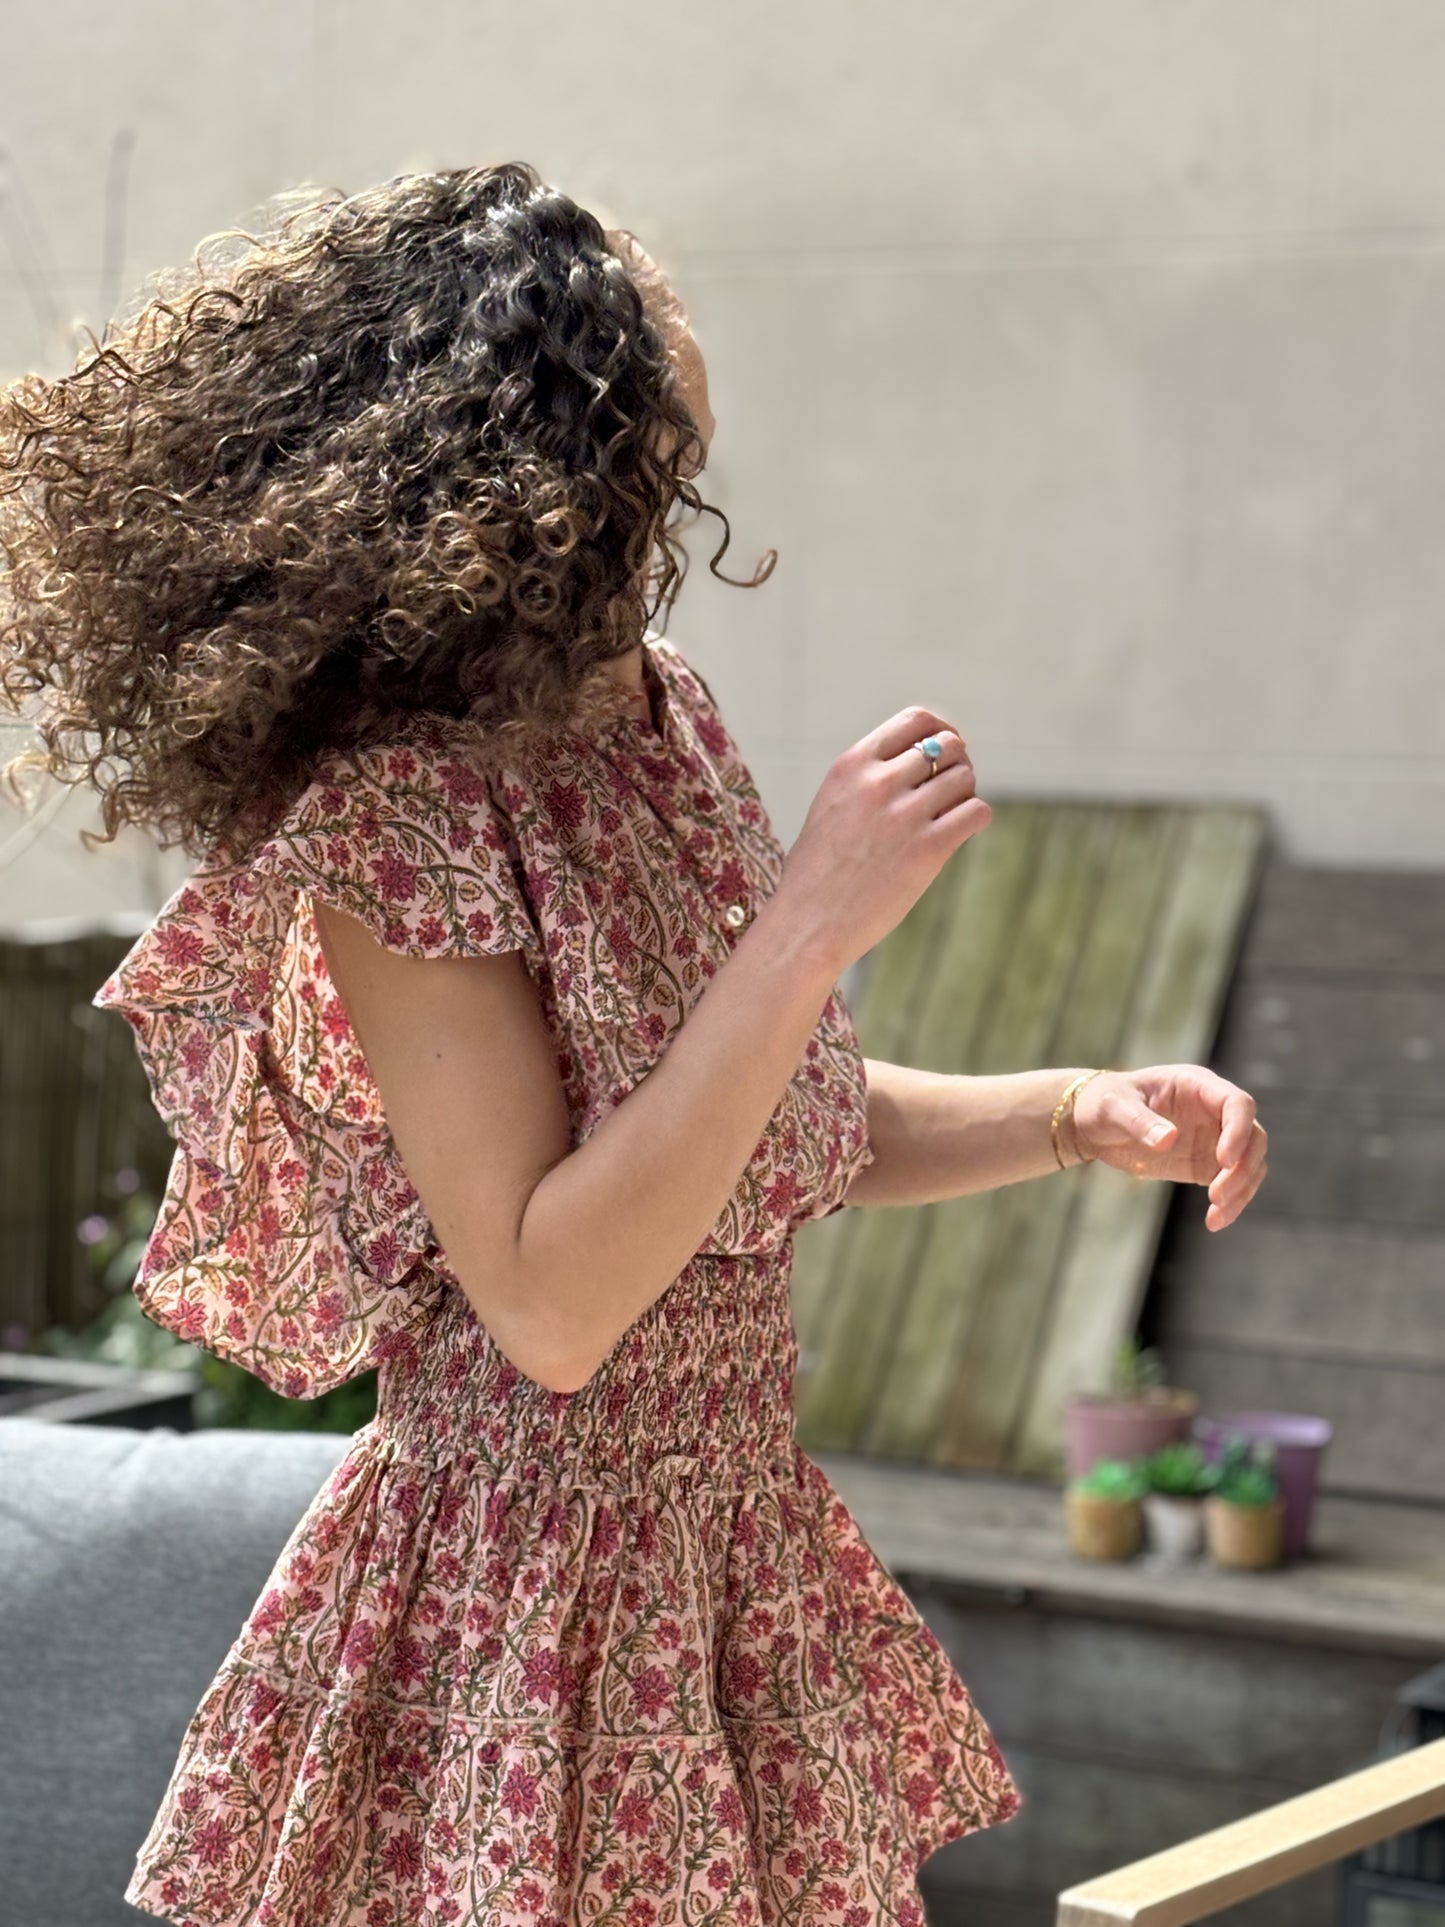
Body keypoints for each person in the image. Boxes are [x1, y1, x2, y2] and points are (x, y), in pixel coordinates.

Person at [0, 160, 1267, 1926]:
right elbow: (547, 1295)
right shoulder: (399, 817)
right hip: (525, 1614)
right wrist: (812, 916)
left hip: (728, 1559)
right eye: (648, 456)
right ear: (513, 474)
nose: (678, 492)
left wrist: (1068, 1113)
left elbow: (746, 1128)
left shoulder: (656, 717)